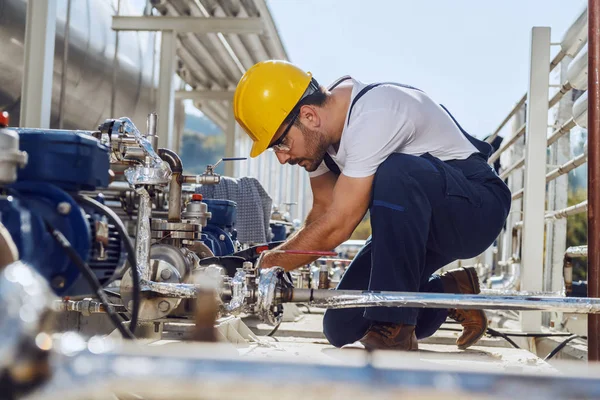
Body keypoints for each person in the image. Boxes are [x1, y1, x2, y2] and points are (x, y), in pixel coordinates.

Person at [233, 60, 511, 351]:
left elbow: (339, 224)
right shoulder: (317, 143)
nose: (282, 157)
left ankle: (396, 329)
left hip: (474, 210)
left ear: (309, 115)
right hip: (414, 226)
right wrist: (266, 261)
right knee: (342, 325)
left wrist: (265, 265)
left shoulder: (376, 113)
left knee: (396, 170)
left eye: (281, 143)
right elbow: (322, 216)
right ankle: (451, 290)